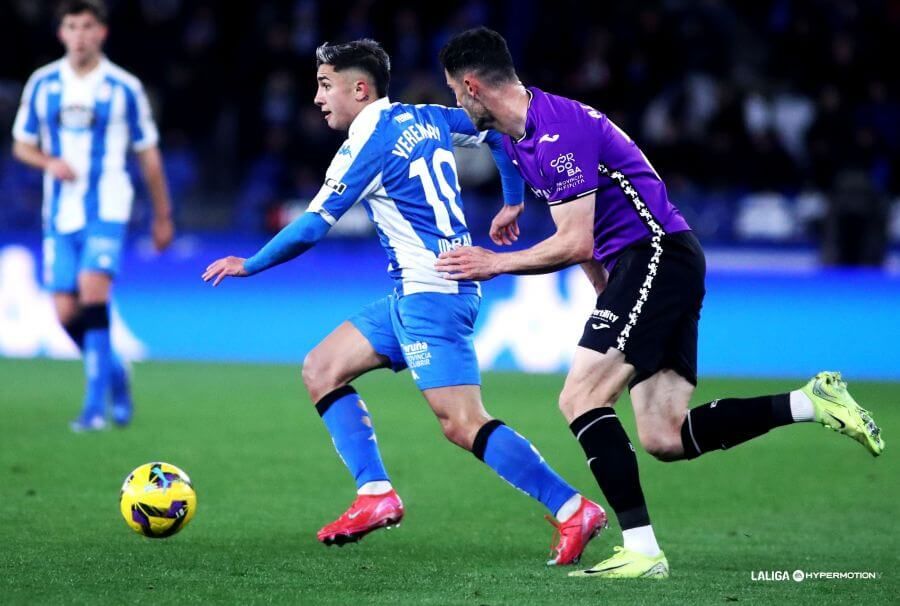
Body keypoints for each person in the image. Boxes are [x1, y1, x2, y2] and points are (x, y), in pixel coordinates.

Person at [436, 27, 885, 579]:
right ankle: (812, 401)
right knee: (664, 435)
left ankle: (644, 551)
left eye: (455, 90)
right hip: (648, 265)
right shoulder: (522, 137)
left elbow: (574, 239)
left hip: (655, 255)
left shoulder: (558, 133)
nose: (455, 101)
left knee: (580, 396)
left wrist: (492, 262)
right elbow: (583, 237)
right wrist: (606, 291)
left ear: (473, 85)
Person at [203, 39, 605, 565]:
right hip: (415, 293)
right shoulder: (428, 116)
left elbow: (309, 227)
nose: (319, 98)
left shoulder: (364, 144)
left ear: (360, 88)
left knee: (462, 423)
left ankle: (572, 508)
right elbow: (500, 131)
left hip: (433, 295)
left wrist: (249, 263)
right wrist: (512, 199)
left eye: (326, 85)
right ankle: (375, 495)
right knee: (322, 368)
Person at [11, 0, 175, 431]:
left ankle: (93, 408)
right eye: (71, 26)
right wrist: (49, 163)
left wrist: (162, 215)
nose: (79, 34)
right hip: (58, 215)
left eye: (87, 26)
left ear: (101, 33)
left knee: (92, 296)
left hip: (107, 209)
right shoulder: (43, 84)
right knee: (65, 314)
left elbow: (149, 155)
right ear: (61, 33)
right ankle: (117, 374)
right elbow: (21, 143)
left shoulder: (123, 87)